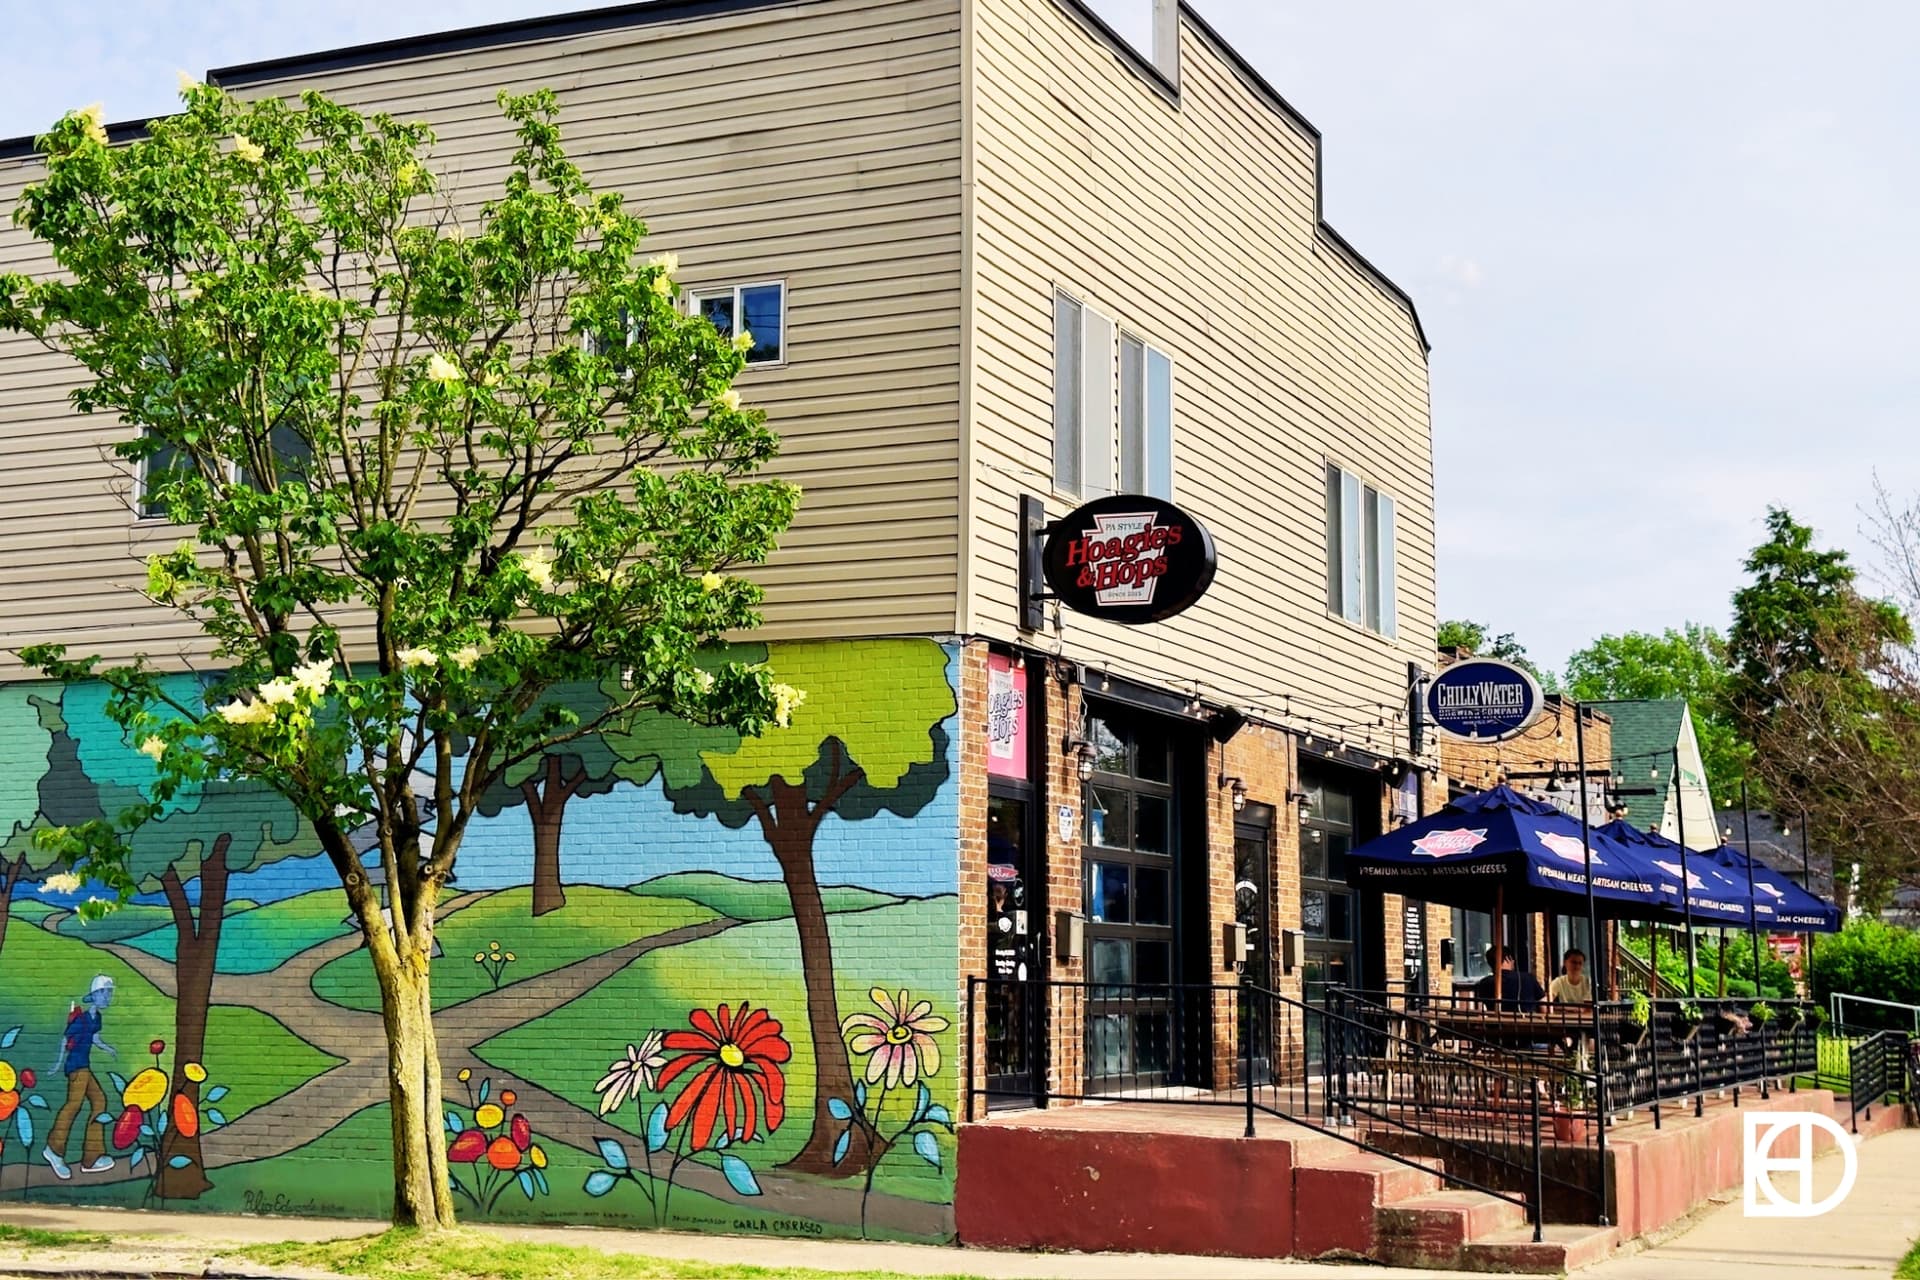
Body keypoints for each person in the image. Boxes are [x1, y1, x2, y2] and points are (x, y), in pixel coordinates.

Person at [45, 975, 117, 1180]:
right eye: (105, 992)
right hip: (76, 1067)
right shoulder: (81, 1019)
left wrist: (107, 1047)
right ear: (94, 995)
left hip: (84, 1066)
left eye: (110, 992)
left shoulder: (96, 1019)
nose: (108, 997)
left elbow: (95, 1038)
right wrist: (58, 1065)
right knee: (73, 1105)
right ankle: (54, 1150)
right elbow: (65, 1039)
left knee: (99, 1100)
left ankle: (91, 1158)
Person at [1471, 945, 1545, 1012]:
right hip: (1527, 1024)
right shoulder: (1528, 978)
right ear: (1507, 958)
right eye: (1512, 958)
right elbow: (1543, 1006)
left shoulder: (1484, 983)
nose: (1513, 961)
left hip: (1496, 1025)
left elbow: (1481, 1009)